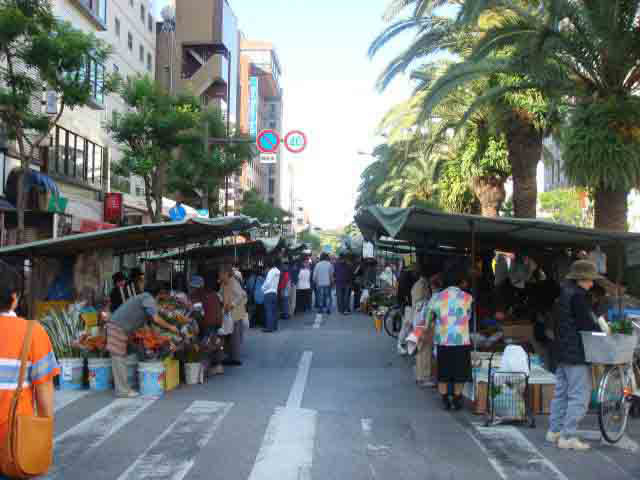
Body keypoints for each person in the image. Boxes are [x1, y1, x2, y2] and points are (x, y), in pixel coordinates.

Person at [0, 267, 59, 457]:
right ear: (15, 297)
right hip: (15, 440)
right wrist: (44, 435)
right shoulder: (33, 333)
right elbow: (44, 396)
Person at [547, 260, 601, 451]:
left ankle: (554, 431)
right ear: (582, 278)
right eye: (590, 280)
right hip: (576, 353)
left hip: (561, 351)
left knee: (561, 393)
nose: (592, 284)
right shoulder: (579, 296)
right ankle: (568, 436)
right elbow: (587, 324)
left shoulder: (563, 294)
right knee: (579, 395)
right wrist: (600, 327)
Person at [108, 281, 179, 397]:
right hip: (118, 327)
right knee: (118, 357)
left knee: (121, 356)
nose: (165, 298)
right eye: (164, 295)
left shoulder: (143, 298)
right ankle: (123, 391)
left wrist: (159, 336)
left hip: (119, 327)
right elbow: (155, 319)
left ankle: (123, 387)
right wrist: (171, 327)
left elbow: (151, 322)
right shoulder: (148, 298)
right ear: (160, 294)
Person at [423, 268, 473, 410]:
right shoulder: (467, 297)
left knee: (444, 370)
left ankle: (445, 399)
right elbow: (468, 316)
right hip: (461, 340)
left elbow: (428, 319)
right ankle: (457, 399)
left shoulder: (437, 298)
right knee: (459, 371)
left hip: (443, 340)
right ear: (458, 281)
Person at [192, 271, 224, 376]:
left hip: (208, 322)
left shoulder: (197, 295)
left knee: (206, 344)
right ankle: (218, 366)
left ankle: (203, 370)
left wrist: (195, 324)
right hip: (218, 321)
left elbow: (198, 313)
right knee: (214, 342)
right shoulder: (214, 293)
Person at [219, 264, 248, 366]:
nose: (219, 275)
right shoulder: (223, 284)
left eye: (221, 273)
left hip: (236, 313)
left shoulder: (233, 282)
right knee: (229, 336)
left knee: (235, 337)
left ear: (226, 274)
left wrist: (232, 304)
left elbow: (241, 295)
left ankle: (235, 359)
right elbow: (220, 294)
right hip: (228, 313)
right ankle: (229, 356)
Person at [262, 259, 281, 332]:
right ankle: (275, 326)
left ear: (268, 266)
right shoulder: (278, 271)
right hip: (274, 292)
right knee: (274, 311)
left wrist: (262, 288)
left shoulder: (270, 272)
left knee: (269, 311)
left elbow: (268, 282)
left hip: (268, 293)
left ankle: (269, 327)